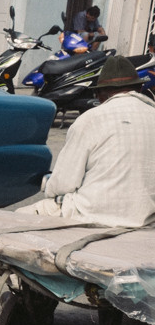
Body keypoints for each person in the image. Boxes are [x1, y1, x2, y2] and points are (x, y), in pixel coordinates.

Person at [16, 55, 155, 226]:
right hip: (144, 219)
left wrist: (49, 184)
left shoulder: (91, 119)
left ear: (99, 93)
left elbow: (63, 185)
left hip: (90, 214)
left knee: (16, 218)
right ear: (138, 88)